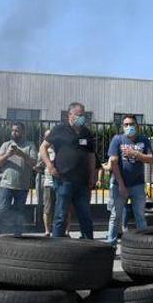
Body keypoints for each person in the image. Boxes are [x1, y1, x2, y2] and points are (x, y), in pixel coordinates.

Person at [40, 102, 96, 239]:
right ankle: (57, 246)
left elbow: (91, 155)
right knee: (61, 215)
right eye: (79, 115)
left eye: (83, 115)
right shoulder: (60, 129)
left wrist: (92, 176)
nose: (81, 118)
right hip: (64, 180)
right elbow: (43, 148)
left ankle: (89, 244)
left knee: (85, 215)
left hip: (82, 182)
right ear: (69, 115)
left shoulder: (86, 133)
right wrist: (50, 166)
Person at [105, 115, 153, 246]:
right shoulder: (117, 139)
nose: (128, 127)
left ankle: (145, 244)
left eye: (131, 124)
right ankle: (110, 245)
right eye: (125, 125)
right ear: (122, 127)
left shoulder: (143, 140)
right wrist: (121, 185)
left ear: (136, 125)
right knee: (115, 216)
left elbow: (151, 159)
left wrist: (136, 154)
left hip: (138, 184)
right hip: (119, 184)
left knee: (140, 216)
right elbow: (113, 162)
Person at [0, 123, 36, 243]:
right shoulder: (6, 145)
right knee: (2, 209)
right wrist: (7, 155)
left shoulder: (30, 145)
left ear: (23, 132)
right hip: (6, 184)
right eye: (13, 131)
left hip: (22, 185)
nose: (15, 133)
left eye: (18, 131)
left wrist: (21, 154)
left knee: (19, 211)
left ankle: (17, 235)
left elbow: (33, 163)